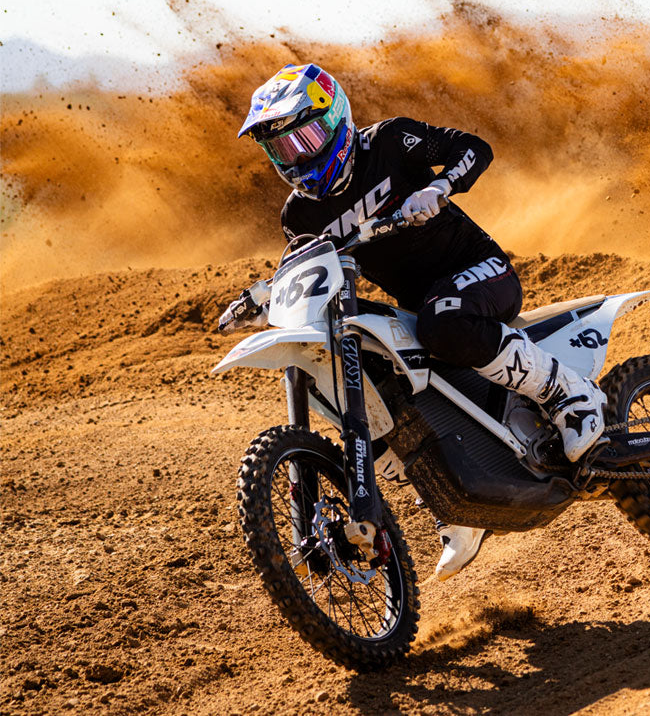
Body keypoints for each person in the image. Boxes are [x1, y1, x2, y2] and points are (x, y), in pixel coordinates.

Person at [219, 63, 605, 580]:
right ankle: (450, 498)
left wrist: (440, 187)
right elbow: (310, 264)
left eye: (305, 138)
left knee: (442, 323)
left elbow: (474, 147)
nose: (298, 157)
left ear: (335, 119)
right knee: (371, 380)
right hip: (422, 306)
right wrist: (265, 295)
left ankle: (568, 394)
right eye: (282, 150)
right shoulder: (299, 216)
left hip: (479, 274)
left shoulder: (391, 142)